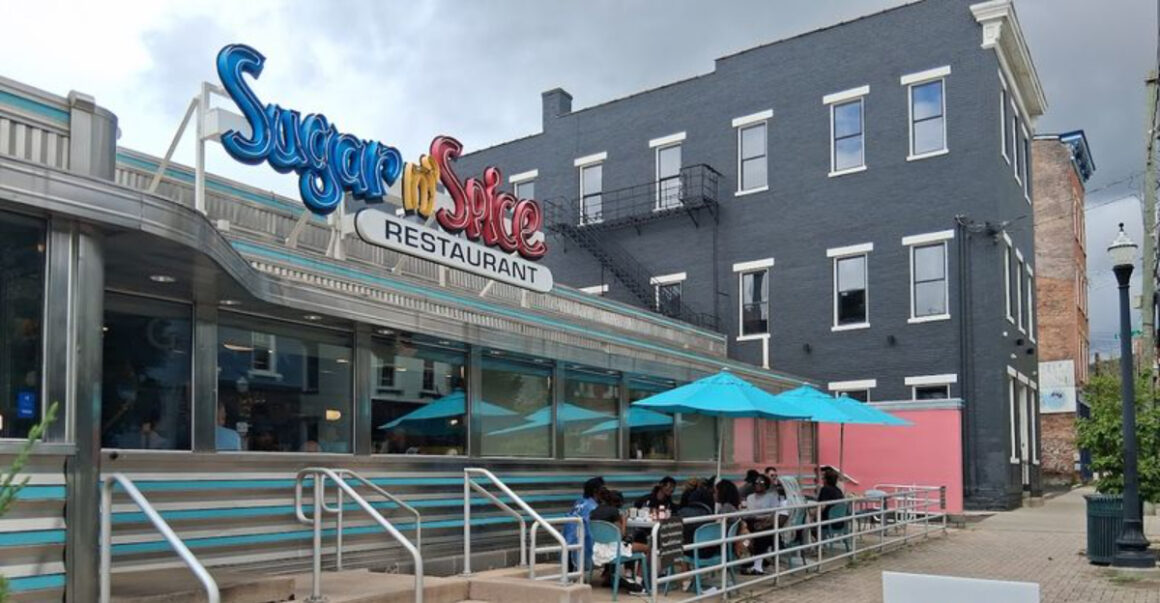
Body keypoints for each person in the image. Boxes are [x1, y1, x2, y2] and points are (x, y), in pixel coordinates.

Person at [589, 488, 647, 592]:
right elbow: (621, 534)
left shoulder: (595, 510)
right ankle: (638, 580)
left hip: (598, 548)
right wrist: (624, 520)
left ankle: (619, 576)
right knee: (647, 548)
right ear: (619, 503)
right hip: (613, 550)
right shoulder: (614, 511)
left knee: (628, 543)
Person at [742, 475, 785, 575]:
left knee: (761, 535)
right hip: (752, 522)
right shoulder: (750, 497)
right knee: (744, 535)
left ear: (766, 485)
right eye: (756, 483)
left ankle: (758, 565)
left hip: (767, 523)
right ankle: (753, 560)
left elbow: (774, 513)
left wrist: (762, 520)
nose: (758, 485)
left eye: (761, 483)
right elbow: (749, 512)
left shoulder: (772, 496)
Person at [563, 477, 604, 571]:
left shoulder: (579, 502)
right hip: (584, 541)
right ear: (596, 491)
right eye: (602, 489)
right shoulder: (594, 508)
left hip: (569, 540)